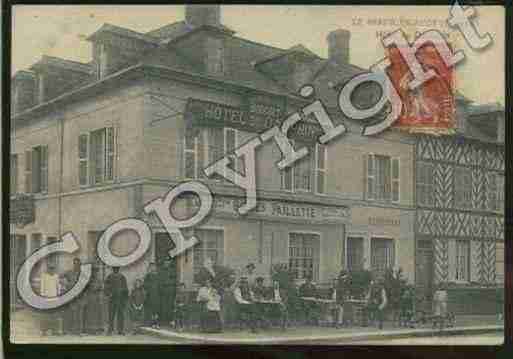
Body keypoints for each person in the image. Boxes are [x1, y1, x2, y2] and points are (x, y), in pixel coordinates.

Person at [63, 258, 87, 335]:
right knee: (71, 314)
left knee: (79, 315)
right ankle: (70, 330)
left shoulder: (83, 274)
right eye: (75, 264)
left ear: (80, 265)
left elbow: (86, 285)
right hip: (72, 297)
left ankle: (78, 331)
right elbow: (60, 277)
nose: (76, 265)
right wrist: (66, 285)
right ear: (73, 264)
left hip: (80, 297)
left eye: (78, 264)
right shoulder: (69, 273)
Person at [104, 266, 129, 335]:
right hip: (112, 299)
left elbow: (125, 288)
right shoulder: (109, 277)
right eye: (114, 268)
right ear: (113, 269)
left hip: (120, 299)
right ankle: (110, 330)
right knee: (111, 315)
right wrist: (108, 294)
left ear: (119, 269)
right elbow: (106, 286)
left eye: (117, 268)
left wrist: (125, 298)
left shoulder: (122, 277)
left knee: (120, 315)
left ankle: (120, 330)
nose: (116, 269)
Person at [40, 264, 61, 336]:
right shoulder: (44, 276)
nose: (51, 270)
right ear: (48, 269)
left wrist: (58, 294)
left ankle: (54, 331)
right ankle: (44, 331)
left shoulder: (56, 276)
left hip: (54, 298)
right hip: (46, 298)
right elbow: (42, 287)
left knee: (54, 315)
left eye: (53, 269)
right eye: (50, 268)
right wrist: (42, 296)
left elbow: (58, 286)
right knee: (45, 315)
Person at [83, 264, 104, 334]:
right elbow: (85, 289)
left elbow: (101, 288)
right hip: (89, 298)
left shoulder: (99, 280)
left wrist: (100, 296)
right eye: (94, 271)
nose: (95, 273)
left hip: (96, 298)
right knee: (90, 313)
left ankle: (97, 329)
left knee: (97, 314)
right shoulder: (88, 279)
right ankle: (89, 329)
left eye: (96, 271)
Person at [158, 258, 177, 327]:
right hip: (163, 291)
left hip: (170, 291)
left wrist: (174, 290)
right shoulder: (160, 271)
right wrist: (161, 289)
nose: (167, 263)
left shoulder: (172, 271)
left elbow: (174, 281)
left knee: (170, 307)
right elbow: (159, 281)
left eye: (168, 262)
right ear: (163, 263)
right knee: (163, 307)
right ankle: (163, 322)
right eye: (165, 262)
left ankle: (170, 322)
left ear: (170, 262)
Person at [143, 263, 160, 328]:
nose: (153, 268)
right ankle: (152, 323)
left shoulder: (158, 276)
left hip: (157, 295)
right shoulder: (148, 276)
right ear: (150, 268)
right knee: (151, 310)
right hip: (150, 295)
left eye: (154, 267)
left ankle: (157, 323)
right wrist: (149, 287)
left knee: (156, 310)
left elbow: (160, 285)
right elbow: (145, 285)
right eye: (151, 267)